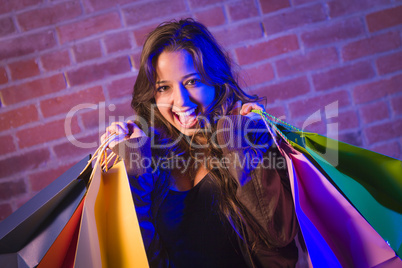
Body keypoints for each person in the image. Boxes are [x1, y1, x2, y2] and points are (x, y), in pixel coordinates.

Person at [101, 18, 302, 268]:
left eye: (192, 82)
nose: (181, 101)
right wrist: (133, 164)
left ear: (215, 80)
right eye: (164, 87)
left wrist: (235, 140)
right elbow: (134, 256)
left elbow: (279, 233)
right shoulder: (148, 156)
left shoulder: (250, 138)